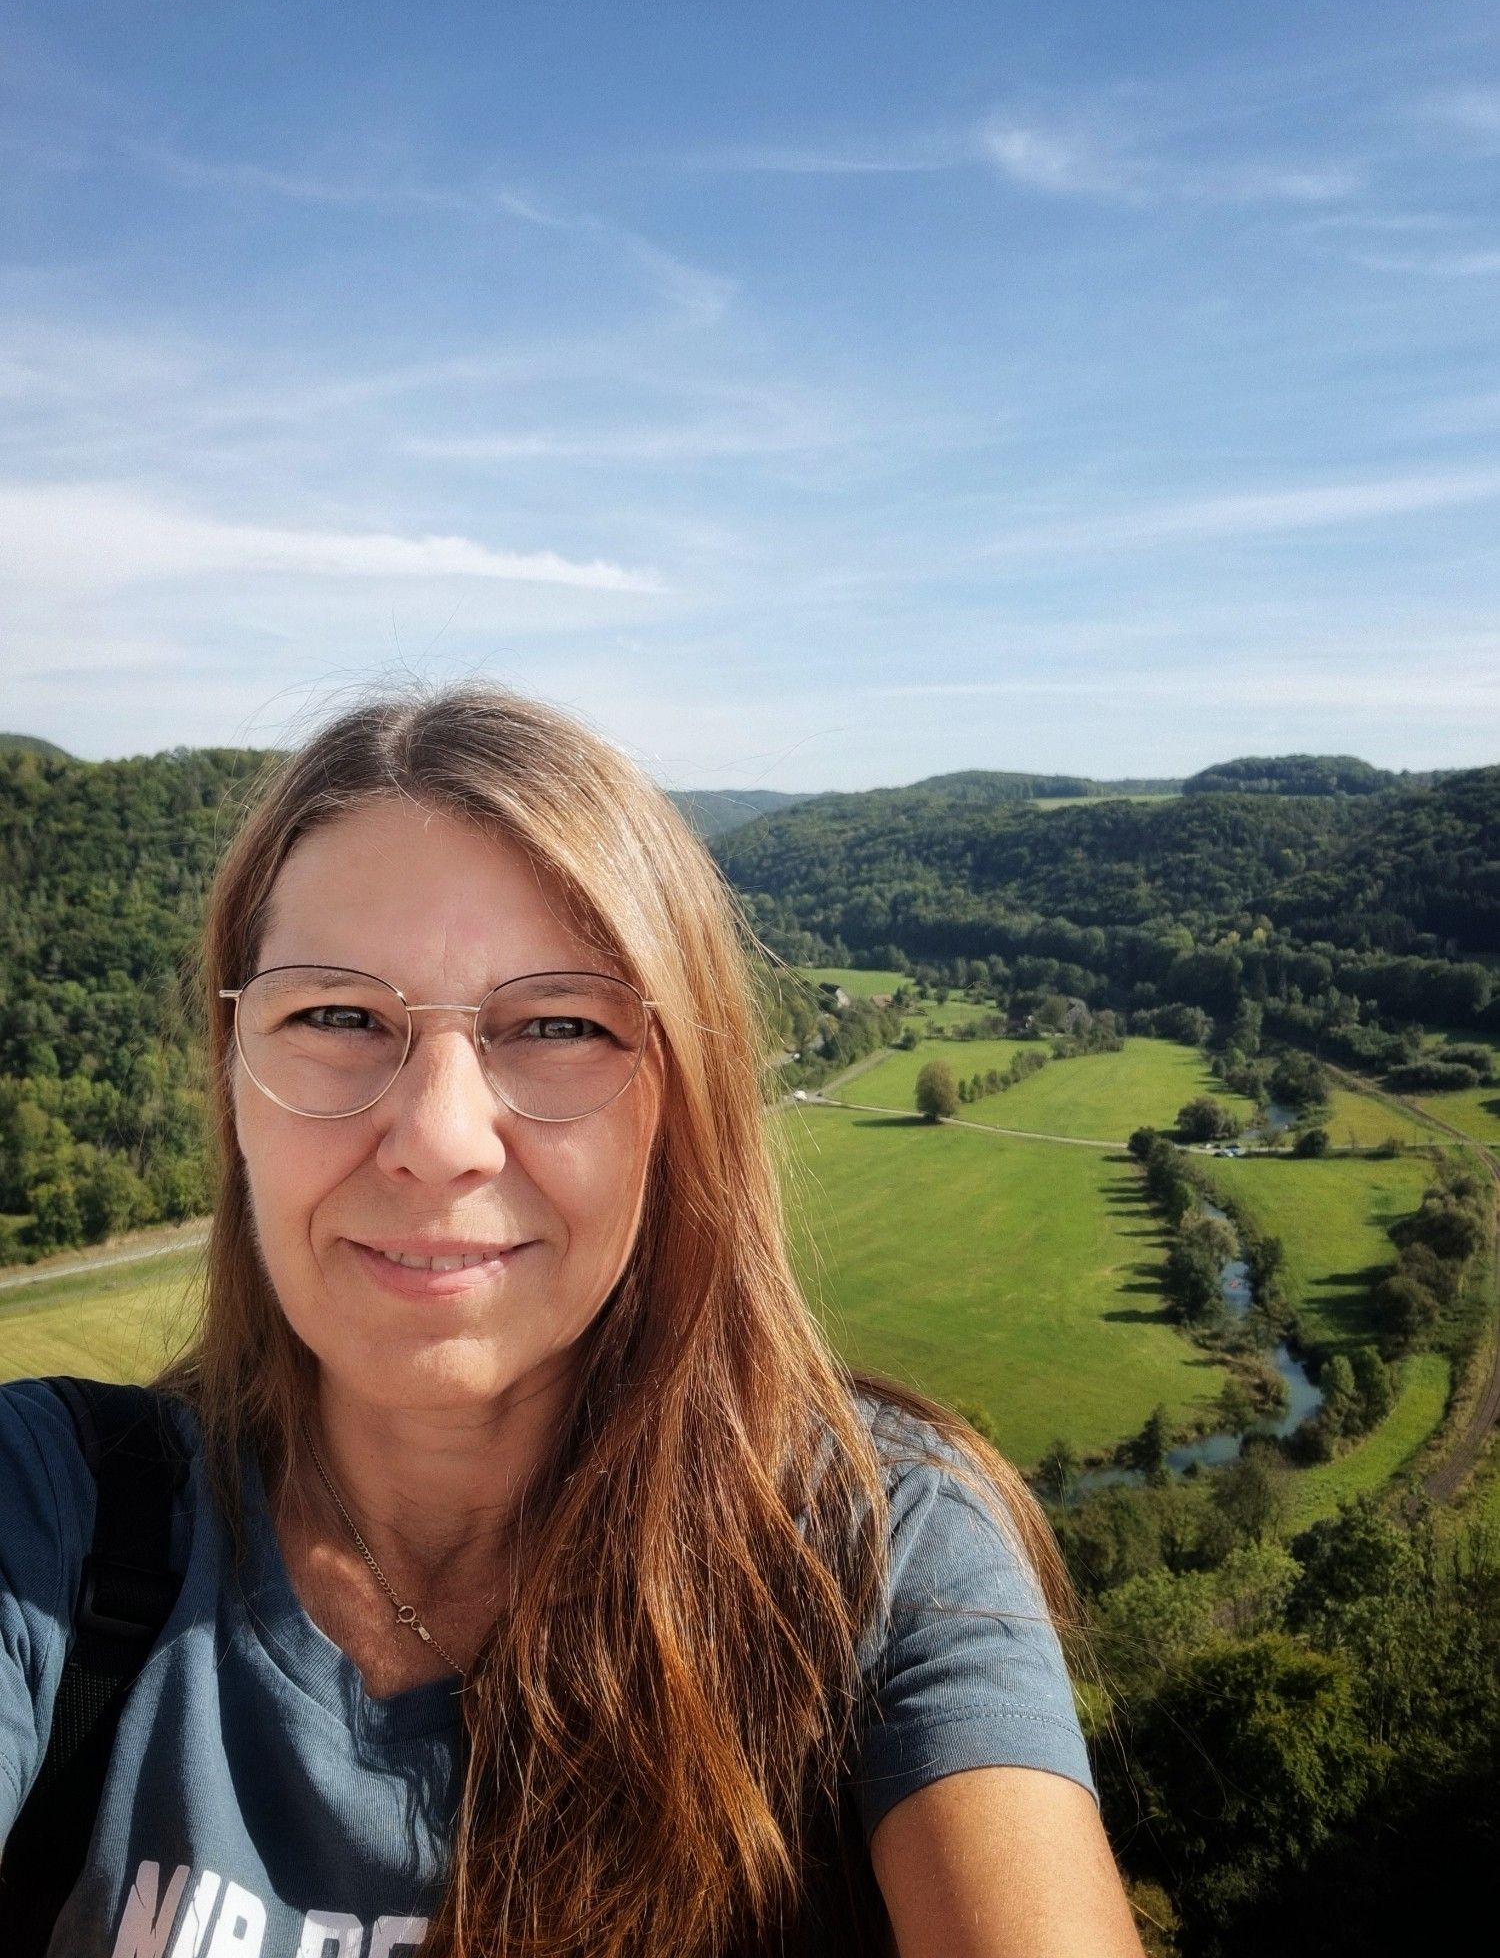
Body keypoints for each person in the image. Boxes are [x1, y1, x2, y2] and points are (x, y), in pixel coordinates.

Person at [0, 684, 1146, 1958]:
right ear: (233, 1086)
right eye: (334, 1015)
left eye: (558, 1024)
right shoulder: (50, 1517)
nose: (437, 1139)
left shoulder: (871, 1558)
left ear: (682, 1109)